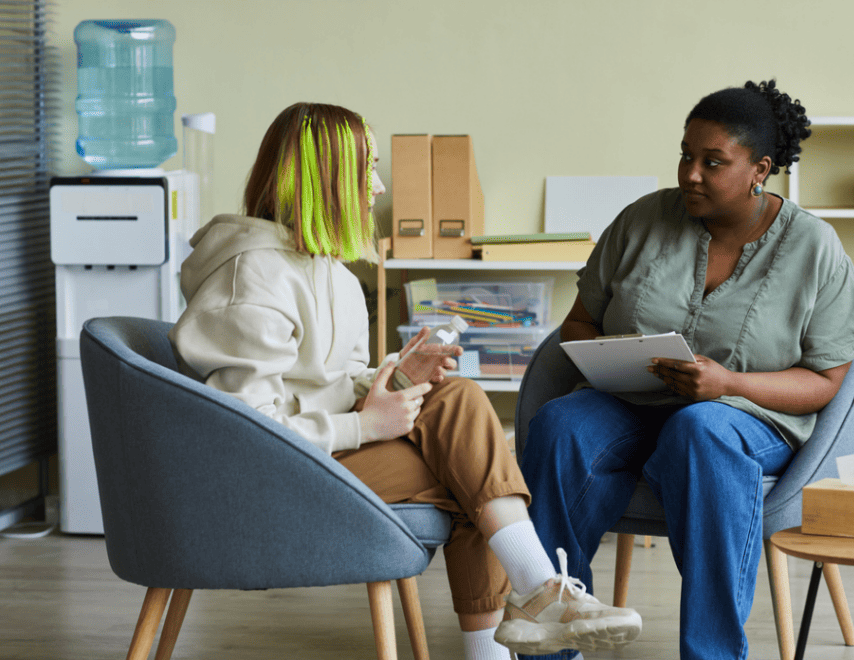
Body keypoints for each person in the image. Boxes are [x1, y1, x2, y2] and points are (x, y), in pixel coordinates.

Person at [167, 102, 640, 660]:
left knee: (459, 407)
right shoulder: (253, 276)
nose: (379, 185)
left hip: (319, 456)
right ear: (328, 177)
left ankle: (536, 596)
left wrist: (386, 381)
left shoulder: (331, 274)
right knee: (471, 471)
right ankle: (538, 596)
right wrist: (365, 423)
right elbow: (244, 433)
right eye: (367, 169)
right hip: (264, 479)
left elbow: (329, 382)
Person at [518, 80, 854, 660]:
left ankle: (713, 653)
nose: (690, 174)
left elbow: (826, 382)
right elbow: (579, 324)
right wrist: (607, 362)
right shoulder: (641, 221)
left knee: (700, 430)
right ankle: (554, 638)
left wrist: (727, 384)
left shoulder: (815, 248)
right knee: (561, 426)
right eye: (685, 155)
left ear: (760, 169)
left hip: (749, 418)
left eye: (713, 162)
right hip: (631, 403)